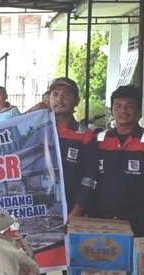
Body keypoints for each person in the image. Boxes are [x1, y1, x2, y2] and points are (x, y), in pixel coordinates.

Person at [92, 85, 144, 238]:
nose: (123, 111)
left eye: (129, 106)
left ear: (138, 111)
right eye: (118, 106)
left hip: (140, 224)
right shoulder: (99, 140)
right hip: (102, 220)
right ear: (111, 111)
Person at [47, 77, 99, 220]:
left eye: (67, 95)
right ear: (48, 99)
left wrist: (76, 211)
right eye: (55, 94)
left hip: (72, 212)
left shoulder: (85, 135)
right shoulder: (39, 130)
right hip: (40, 210)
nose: (60, 99)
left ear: (76, 101)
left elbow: (90, 177)